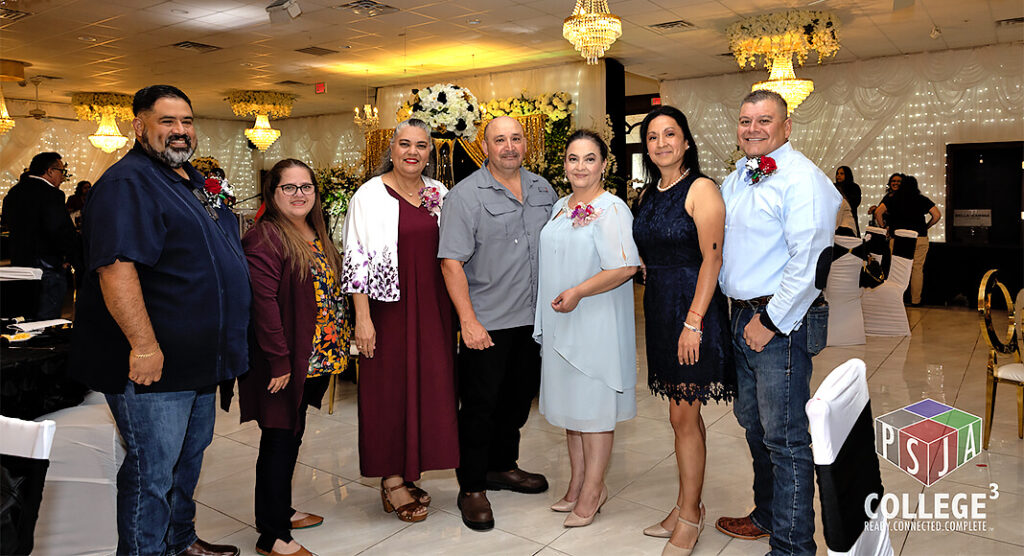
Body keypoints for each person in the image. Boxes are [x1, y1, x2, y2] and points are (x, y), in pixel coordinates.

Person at [69, 85, 249, 556]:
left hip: (197, 361)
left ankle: (180, 541)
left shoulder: (188, 179)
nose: (180, 130)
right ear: (139, 126)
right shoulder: (128, 183)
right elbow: (116, 268)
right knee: (152, 472)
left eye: (186, 121)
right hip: (155, 365)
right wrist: (145, 346)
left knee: (187, 461)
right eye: (167, 121)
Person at [715, 90, 840, 556]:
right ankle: (768, 515)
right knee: (754, 425)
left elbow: (810, 263)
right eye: (745, 120)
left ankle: (793, 546)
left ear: (786, 127)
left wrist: (769, 321)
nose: (753, 128)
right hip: (741, 314)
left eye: (764, 120)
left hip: (779, 320)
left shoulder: (803, 179)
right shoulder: (737, 178)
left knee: (785, 438)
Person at [439, 115, 557, 531]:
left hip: (533, 319)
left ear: (526, 144)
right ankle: (472, 487)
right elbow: (451, 262)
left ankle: (503, 466)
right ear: (484, 146)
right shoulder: (464, 196)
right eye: (500, 140)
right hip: (487, 322)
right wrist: (467, 321)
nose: (509, 147)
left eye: (516, 138)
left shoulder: (543, 189)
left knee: (518, 400)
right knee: (479, 407)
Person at [341, 118, 458, 523]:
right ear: (390, 149)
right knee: (388, 392)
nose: (412, 152)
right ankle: (391, 479)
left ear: (430, 153)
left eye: (421, 145)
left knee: (428, 388)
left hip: (434, 308)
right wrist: (362, 318)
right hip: (387, 309)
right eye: (405, 144)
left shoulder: (439, 193)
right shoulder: (369, 195)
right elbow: (355, 259)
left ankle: (409, 470)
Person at [631, 105, 736, 556]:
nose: (661, 143)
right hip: (660, 310)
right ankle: (684, 503)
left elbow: (713, 258)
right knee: (684, 415)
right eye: (653, 137)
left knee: (682, 417)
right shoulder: (649, 194)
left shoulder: (701, 189)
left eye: (669, 134)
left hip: (694, 312)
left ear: (686, 141)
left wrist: (693, 322)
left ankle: (690, 515)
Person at [240, 159, 350, 556]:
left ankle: (281, 511)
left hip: (314, 358)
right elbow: (263, 303)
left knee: (292, 436)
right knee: (278, 440)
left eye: (306, 186)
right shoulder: (265, 236)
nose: (300, 194)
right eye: (289, 187)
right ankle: (272, 535)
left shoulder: (314, 230)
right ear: (273, 193)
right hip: (282, 362)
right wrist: (280, 360)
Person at [534, 130, 640, 528]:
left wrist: (578, 291)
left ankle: (594, 490)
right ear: (564, 164)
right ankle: (577, 483)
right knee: (571, 407)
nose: (581, 167)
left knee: (593, 410)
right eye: (573, 158)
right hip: (561, 319)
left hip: (595, 320)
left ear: (604, 165)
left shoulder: (612, 209)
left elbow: (625, 267)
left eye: (590, 159)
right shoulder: (561, 206)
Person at [1, 152, 76, 319]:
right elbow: (58, 229)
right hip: (48, 264)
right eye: (61, 171)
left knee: (25, 314)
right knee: (47, 317)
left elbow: (6, 220)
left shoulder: (15, 192)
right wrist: (68, 257)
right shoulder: (51, 194)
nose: (62, 177)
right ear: (50, 171)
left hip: (21, 262)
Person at [873, 174, 941, 305]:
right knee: (917, 269)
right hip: (919, 237)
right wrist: (927, 226)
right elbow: (937, 215)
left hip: (899, 238)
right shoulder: (922, 199)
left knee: (898, 268)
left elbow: (878, 212)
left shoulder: (892, 199)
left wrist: (884, 228)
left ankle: (897, 299)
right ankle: (916, 300)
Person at [834, 166, 860, 235]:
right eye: (837, 174)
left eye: (842, 174)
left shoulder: (854, 187)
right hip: (835, 217)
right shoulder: (833, 187)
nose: (838, 176)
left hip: (848, 221)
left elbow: (855, 202)